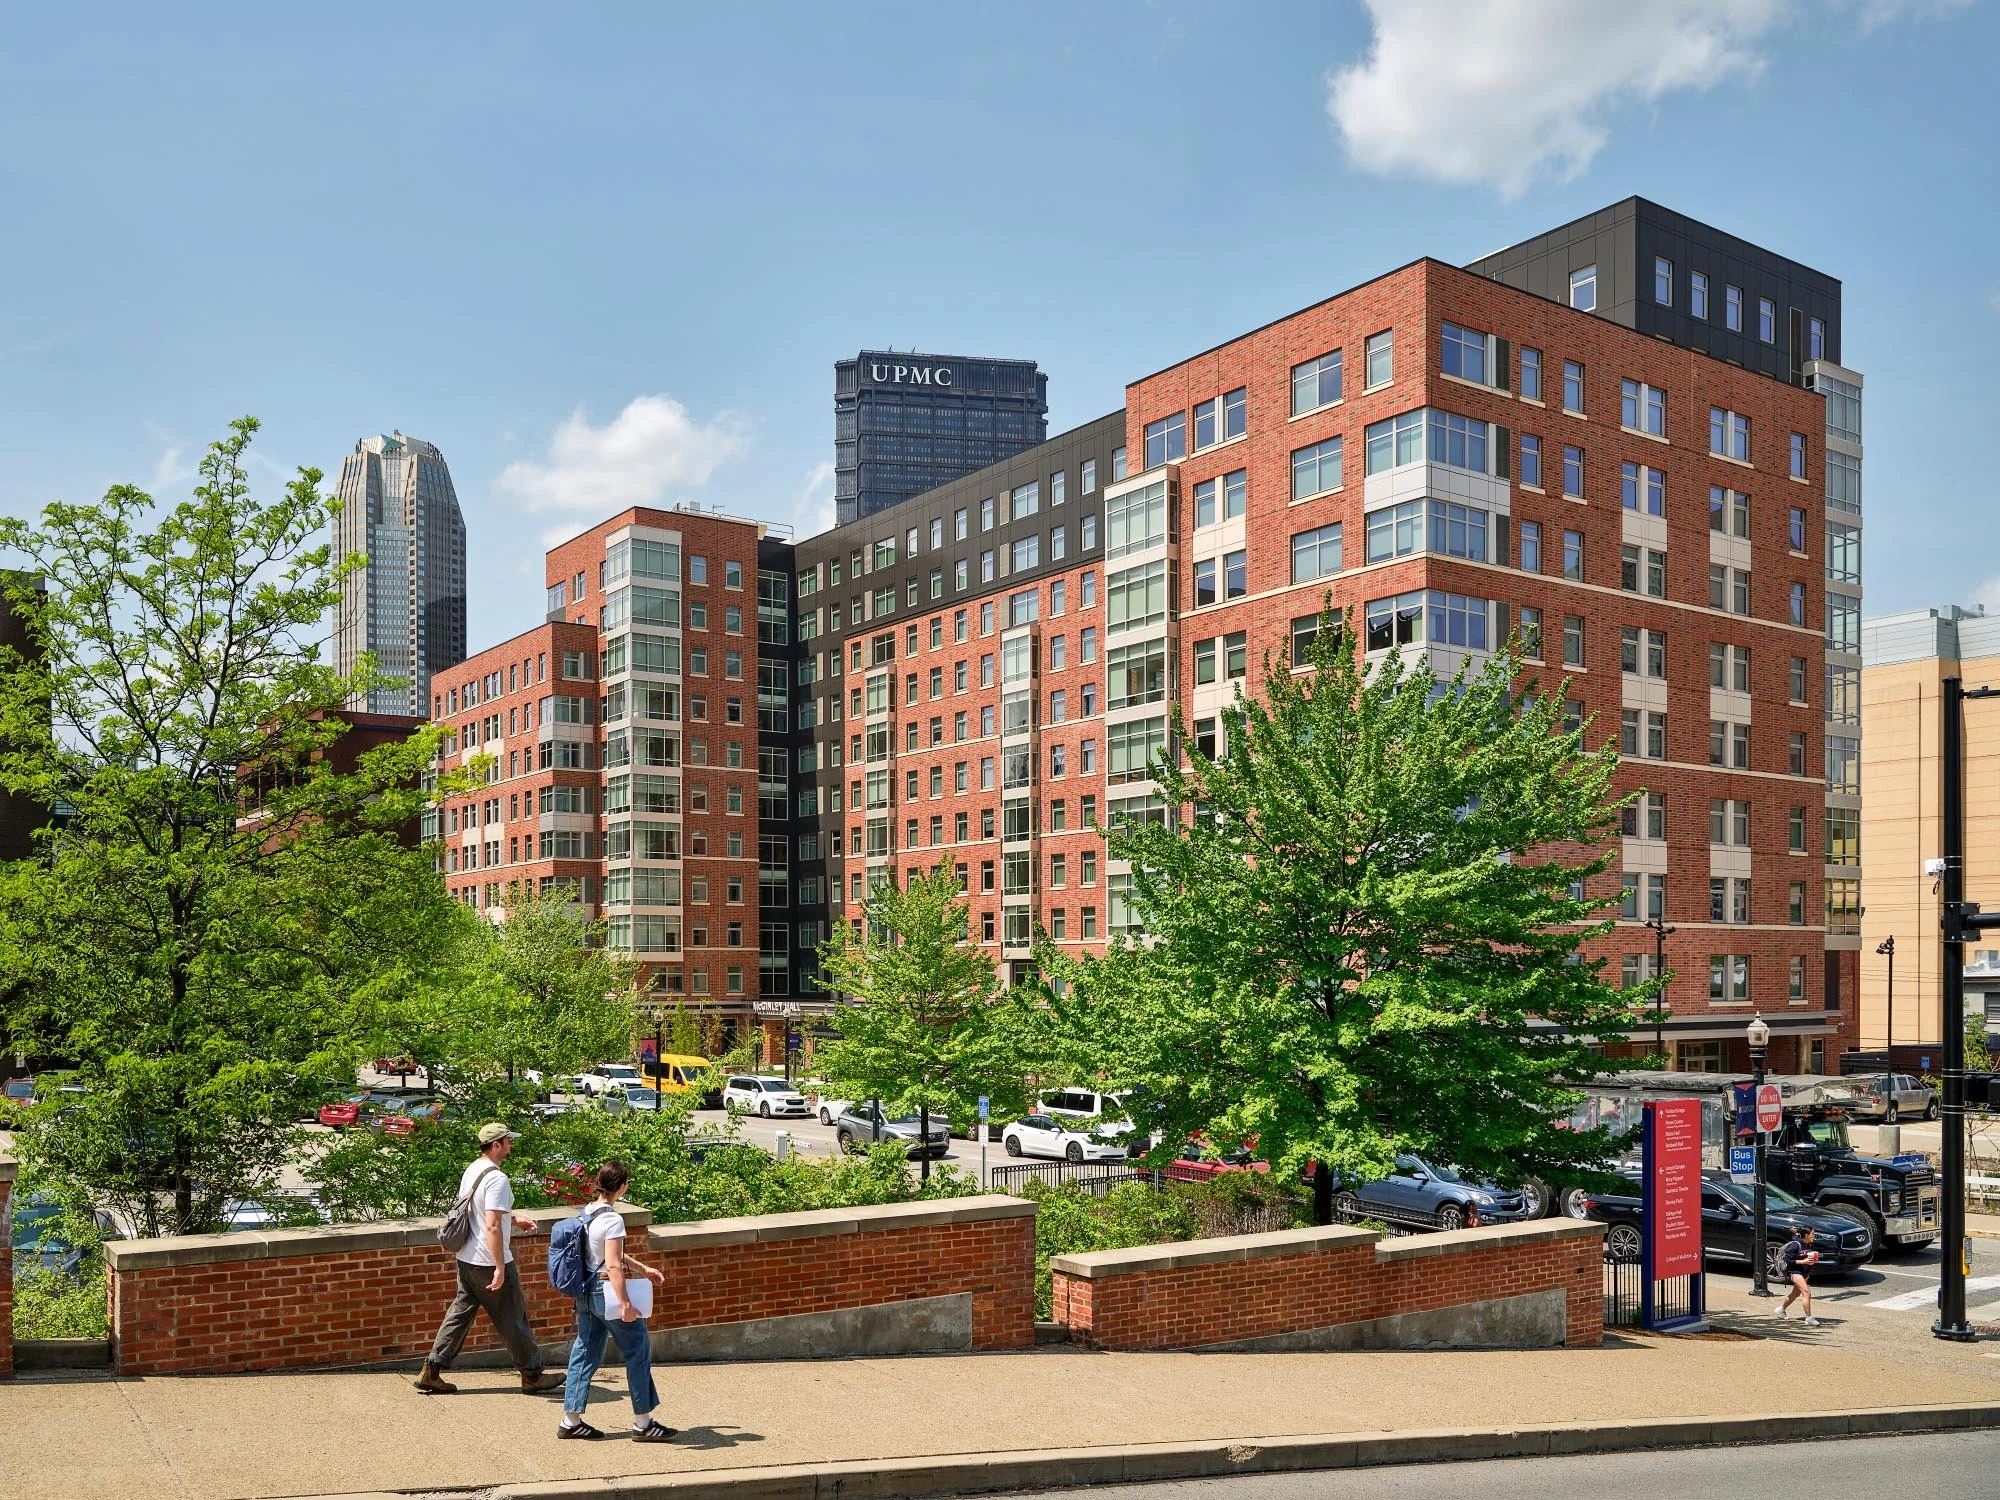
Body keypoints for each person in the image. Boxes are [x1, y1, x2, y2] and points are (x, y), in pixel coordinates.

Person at [416, 1123, 562, 1396]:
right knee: (513, 1318)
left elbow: (479, 1210)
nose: (511, 1144)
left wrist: (514, 1218)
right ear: (496, 1145)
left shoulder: (473, 1169)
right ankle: (532, 1376)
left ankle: (431, 1370)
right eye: (508, 1141)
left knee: (460, 1314)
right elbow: (492, 1225)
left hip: (467, 1258)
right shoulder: (497, 1178)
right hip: (487, 1260)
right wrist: (499, 1266)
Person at [558, 1160, 674, 1441]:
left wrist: (642, 1269)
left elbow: (605, 1253)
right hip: (606, 1293)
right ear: (622, 1187)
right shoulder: (612, 1220)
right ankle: (643, 1423)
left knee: (584, 1353)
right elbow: (611, 1264)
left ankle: (570, 1421)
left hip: (586, 1292)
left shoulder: (588, 1213)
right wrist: (625, 1304)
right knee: (638, 1348)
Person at [1776, 1225, 1821, 1326]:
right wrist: (1803, 1261)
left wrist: (1812, 1261)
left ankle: (1781, 1309)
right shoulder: (1795, 1245)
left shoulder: (1810, 1245)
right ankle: (1809, 1318)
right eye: (1813, 1234)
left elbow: (1807, 1257)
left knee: (1795, 1294)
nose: (1814, 1236)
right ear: (1806, 1235)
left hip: (1803, 1272)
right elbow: (1788, 1261)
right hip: (1794, 1272)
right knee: (1807, 1293)